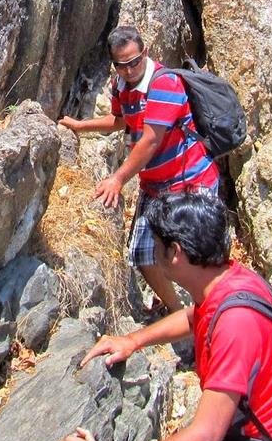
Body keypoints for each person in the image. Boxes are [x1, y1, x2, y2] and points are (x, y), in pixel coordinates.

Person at [53, 193, 272, 441]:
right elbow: (195, 319)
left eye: (158, 245)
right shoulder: (229, 281)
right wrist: (133, 341)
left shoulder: (237, 322)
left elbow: (206, 438)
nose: (154, 253)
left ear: (175, 253)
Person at [59, 25, 218, 313]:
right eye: (122, 65)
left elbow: (150, 139)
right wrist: (82, 126)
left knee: (199, 257)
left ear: (145, 52)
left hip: (191, 180)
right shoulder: (121, 85)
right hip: (156, 185)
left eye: (135, 61)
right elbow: (121, 121)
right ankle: (180, 316)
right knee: (144, 257)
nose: (130, 69)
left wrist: (117, 178)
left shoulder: (164, 83)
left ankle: (212, 315)